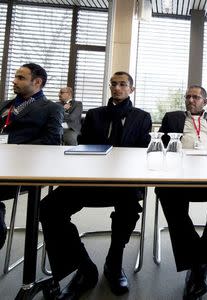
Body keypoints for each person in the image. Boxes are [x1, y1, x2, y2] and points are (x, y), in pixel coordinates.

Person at [39, 71, 152, 299]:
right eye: (113, 84)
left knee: (129, 206)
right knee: (48, 207)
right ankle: (83, 268)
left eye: (122, 84)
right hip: (91, 179)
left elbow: (143, 151)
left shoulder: (142, 116)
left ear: (132, 89)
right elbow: (83, 146)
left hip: (125, 182)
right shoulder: (94, 114)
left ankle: (114, 262)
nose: (117, 88)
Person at [155, 85, 207, 300]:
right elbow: (161, 144)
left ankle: (199, 264)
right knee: (165, 192)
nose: (191, 100)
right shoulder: (172, 118)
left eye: (196, 97)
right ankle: (203, 262)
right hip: (180, 173)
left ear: (205, 102)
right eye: (188, 97)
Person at [0, 63, 63, 250]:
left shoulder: (51, 108)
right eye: (15, 77)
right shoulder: (5, 105)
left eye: (21, 78)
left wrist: (12, 149)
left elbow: (52, 141)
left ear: (37, 82)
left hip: (23, 168)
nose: (14, 81)